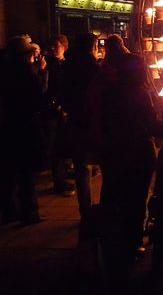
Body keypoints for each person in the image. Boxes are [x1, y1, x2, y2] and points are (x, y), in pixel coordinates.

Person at [96, 53, 163, 288]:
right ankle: (131, 244)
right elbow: (151, 125)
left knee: (115, 195)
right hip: (135, 152)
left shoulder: (110, 91)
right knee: (135, 199)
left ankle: (110, 243)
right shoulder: (138, 92)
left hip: (113, 151)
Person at [0, 36, 46, 225]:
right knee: (26, 172)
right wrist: (41, 72)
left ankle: (10, 210)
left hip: (7, 125)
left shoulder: (4, 71)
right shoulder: (28, 72)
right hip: (25, 125)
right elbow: (38, 99)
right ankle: (29, 212)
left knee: (8, 172)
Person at [60, 33, 101, 239]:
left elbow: (60, 92)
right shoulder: (94, 69)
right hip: (92, 122)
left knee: (81, 169)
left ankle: (85, 211)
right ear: (92, 46)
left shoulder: (66, 66)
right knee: (101, 163)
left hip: (75, 121)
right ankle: (100, 211)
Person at [44, 35, 75, 196]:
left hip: (64, 109)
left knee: (62, 143)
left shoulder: (66, 65)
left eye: (57, 46)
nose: (53, 49)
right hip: (53, 111)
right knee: (55, 145)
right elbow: (47, 90)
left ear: (64, 47)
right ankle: (59, 181)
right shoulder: (49, 66)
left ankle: (64, 174)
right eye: (52, 46)